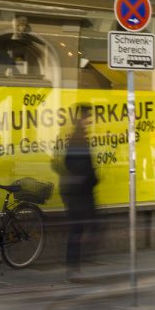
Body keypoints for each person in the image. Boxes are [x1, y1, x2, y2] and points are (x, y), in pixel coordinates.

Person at [59, 103, 99, 283]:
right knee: (79, 230)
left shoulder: (78, 137)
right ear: (81, 118)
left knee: (81, 229)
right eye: (87, 117)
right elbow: (74, 164)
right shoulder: (78, 138)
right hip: (79, 194)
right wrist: (90, 178)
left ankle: (75, 267)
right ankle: (73, 269)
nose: (89, 120)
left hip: (78, 192)